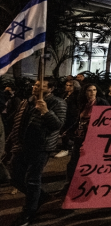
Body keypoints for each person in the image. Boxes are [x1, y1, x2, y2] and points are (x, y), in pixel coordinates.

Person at [7, 78, 66, 226]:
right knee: (14, 177)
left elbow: (57, 125)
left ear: (50, 89)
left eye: (41, 86)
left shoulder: (58, 103)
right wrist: (10, 142)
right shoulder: (27, 101)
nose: (35, 87)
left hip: (40, 147)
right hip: (21, 146)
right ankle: (41, 196)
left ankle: (28, 213)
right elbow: (18, 123)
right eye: (35, 85)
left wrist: (46, 111)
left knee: (32, 180)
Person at [65, 83, 109, 186]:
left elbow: (107, 121)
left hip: (93, 139)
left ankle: (90, 186)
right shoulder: (84, 104)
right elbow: (79, 121)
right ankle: (70, 185)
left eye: (94, 90)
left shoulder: (102, 103)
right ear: (85, 92)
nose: (92, 92)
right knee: (73, 163)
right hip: (80, 137)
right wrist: (69, 131)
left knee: (90, 163)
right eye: (89, 90)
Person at [54, 80, 80, 158]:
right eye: (67, 85)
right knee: (64, 131)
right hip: (64, 115)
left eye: (70, 85)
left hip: (72, 116)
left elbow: (77, 106)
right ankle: (68, 146)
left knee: (67, 131)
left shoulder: (77, 95)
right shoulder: (65, 94)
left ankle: (66, 148)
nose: (68, 87)